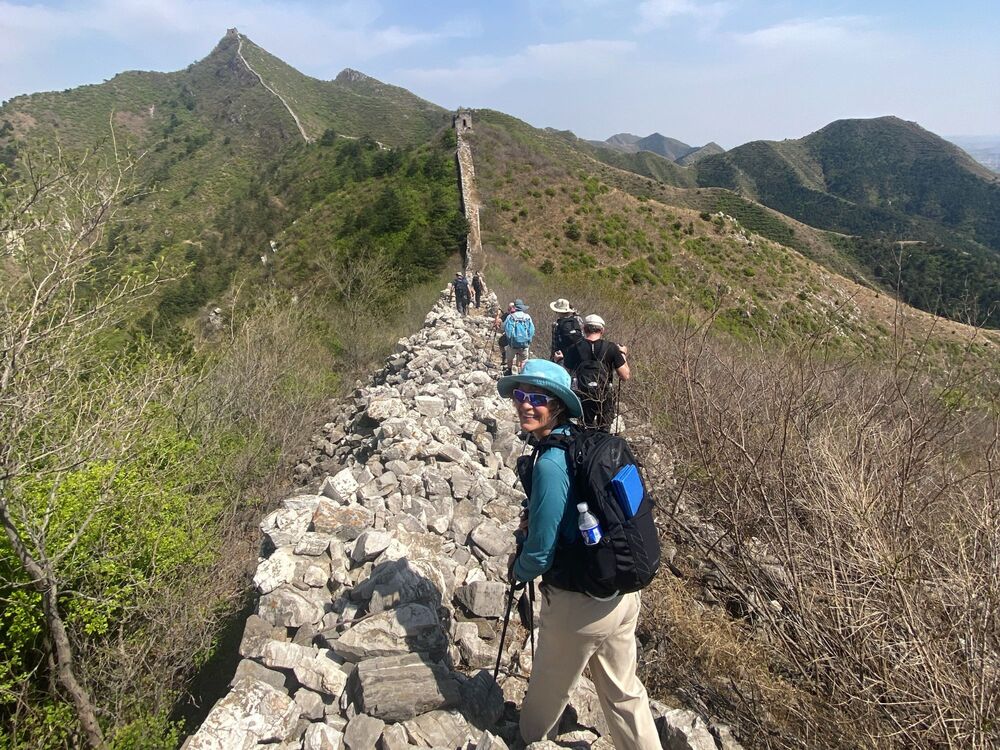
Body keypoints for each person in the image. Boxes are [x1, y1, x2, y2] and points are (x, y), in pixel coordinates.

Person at [496, 359, 659, 749]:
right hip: (620, 595)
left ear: (557, 405)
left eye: (537, 398)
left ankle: (529, 743)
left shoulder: (551, 463)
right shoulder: (583, 442)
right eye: (520, 395)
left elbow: (539, 553)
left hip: (579, 608)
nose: (524, 404)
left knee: (547, 691)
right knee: (624, 693)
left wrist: (516, 570)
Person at [562, 314, 630, 431]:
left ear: (584, 328)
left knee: (583, 429)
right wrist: (622, 353)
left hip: (582, 395)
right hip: (604, 395)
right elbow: (625, 376)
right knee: (604, 430)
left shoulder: (574, 348)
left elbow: (566, 373)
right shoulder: (611, 348)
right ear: (602, 330)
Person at [503, 299, 535, 375]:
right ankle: (522, 373)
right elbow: (532, 330)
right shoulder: (527, 317)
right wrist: (528, 340)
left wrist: (509, 339)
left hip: (512, 344)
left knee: (510, 358)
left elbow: (505, 327)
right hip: (524, 344)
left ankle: (509, 371)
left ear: (515, 307)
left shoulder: (510, 317)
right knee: (524, 360)